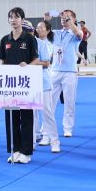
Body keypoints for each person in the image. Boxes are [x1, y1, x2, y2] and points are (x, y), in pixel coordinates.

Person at [0, 7, 39, 164]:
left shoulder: (30, 39)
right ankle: (15, 150)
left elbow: (36, 60)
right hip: (10, 85)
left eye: (16, 17)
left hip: (25, 85)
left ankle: (26, 152)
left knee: (26, 118)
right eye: (11, 17)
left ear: (22, 19)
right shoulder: (4, 40)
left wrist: (27, 66)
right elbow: (2, 60)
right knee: (11, 118)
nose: (13, 20)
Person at [44, 9, 83, 138]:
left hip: (70, 72)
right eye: (62, 17)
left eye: (67, 17)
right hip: (55, 71)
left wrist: (68, 20)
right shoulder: (56, 33)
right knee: (50, 102)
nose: (64, 19)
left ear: (73, 20)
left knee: (69, 101)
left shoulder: (76, 33)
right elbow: (44, 33)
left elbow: (78, 34)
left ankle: (68, 128)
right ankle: (46, 128)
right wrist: (46, 20)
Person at [33, 19, 57, 151]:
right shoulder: (32, 42)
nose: (38, 29)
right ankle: (36, 134)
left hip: (44, 79)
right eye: (37, 28)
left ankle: (50, 138)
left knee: (47, 112)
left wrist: (32, 63)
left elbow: (46, 63)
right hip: (32, 81)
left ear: (47, 31)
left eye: (42, 28)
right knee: (33, 112)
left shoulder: (48, 44)